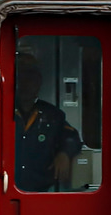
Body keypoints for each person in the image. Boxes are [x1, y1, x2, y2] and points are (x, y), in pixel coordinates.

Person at [9, 55, 81, 191]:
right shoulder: (1, 111)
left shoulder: (52, 115)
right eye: (22, 80)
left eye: (31, 80)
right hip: (7, 187)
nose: (26, 85)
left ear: (38, 84)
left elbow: (71, 137)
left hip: (40, 189)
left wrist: (64, 153)